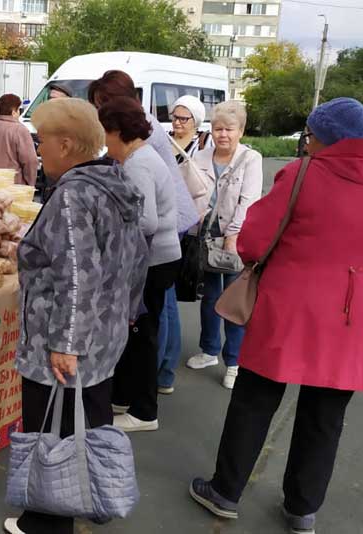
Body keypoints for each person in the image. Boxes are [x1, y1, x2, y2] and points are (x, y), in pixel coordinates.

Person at [189, 97, 363, 534]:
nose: (307, 143)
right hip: (354, 313)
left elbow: (253, 239)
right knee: (325, 416)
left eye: (309, 135)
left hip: (290, 306)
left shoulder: (303, 173)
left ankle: (226, 492)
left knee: (254, 401)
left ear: (321, 136)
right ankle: (302, 508)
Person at [5, 98, 149, 534]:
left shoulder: (73, 194)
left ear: (65, 144)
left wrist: (66, 343)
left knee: (53, 430)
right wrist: (124, 314)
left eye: (41, 141)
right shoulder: (113, 182)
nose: (37, 149)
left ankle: (47, 521)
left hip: (64, 340)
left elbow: (75, 275)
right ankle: (93, 494)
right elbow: (135, 259)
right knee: (89, 421)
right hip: (103, 334)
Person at [98, 97, 180, 432]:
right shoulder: (141, 157)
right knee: (136, 335)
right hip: (157, 258)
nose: (104, 142)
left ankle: (144, 412)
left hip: (154, 261)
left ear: (118, 131)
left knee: (142, 335)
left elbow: (145, 221)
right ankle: (126, 398)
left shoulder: (138, 164)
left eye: (105, 133)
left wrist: (107, 225)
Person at [186, 101, 263, 390]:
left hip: (235, 238)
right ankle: (209, 350)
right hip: (205, 235)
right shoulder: (201, 155)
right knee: (209, 297)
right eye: (218, 129)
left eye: (229, 129)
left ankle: (234, 361)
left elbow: (249, 200)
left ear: (240, 131)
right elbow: (191, 191)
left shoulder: (250, 159)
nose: (223, 135)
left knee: (234, 301)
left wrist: (234, 234)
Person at [88, 70, 198, 235]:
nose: (100, 112)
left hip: (169, 221)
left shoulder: (141, 130)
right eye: (97, 107)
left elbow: (119, 165)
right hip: (160, 217)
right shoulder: (134, 123)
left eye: (103, 105)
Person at [158, 94, 212, 394]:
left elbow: (202, 195)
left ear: (196, 121)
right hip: (166, 226)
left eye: (184, 118)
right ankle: (164, 369)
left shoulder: (201, 150)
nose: (177, 123)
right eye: (175, 117)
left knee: (166, 299)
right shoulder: (164, 143)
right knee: (166, 300)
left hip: (181, 230)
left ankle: (164, 370)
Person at [0, 94, 38, 186]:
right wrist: (30, 184)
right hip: (9, 186)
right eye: (18, 110)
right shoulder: (20, 130)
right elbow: (30, 161)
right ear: (14, 112)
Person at [170, 94, 211, 160]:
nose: (176, 122)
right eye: (175, 117)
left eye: (183, 119)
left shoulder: (206, 140)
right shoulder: (165, 138)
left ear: (195, 120)